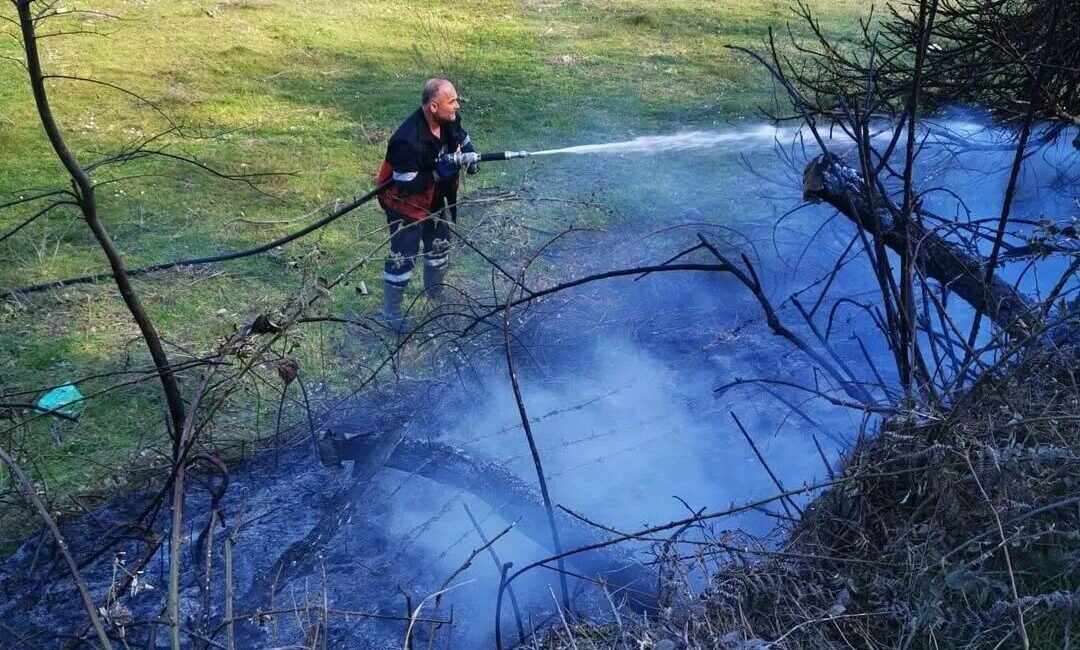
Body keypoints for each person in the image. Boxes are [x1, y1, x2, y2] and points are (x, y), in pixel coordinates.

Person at [375, 78, 479, 331]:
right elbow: (405, 183)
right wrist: (436, 173)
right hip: (405, 204)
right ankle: (391, 312)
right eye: (451, 101)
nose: (457, 106)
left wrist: (470, 155)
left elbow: (462, 139)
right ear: (433, 107)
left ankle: (435, 293)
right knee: (403, 255)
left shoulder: (449, 120)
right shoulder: (406, 140)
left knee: (439, 245)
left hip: (437, 199)